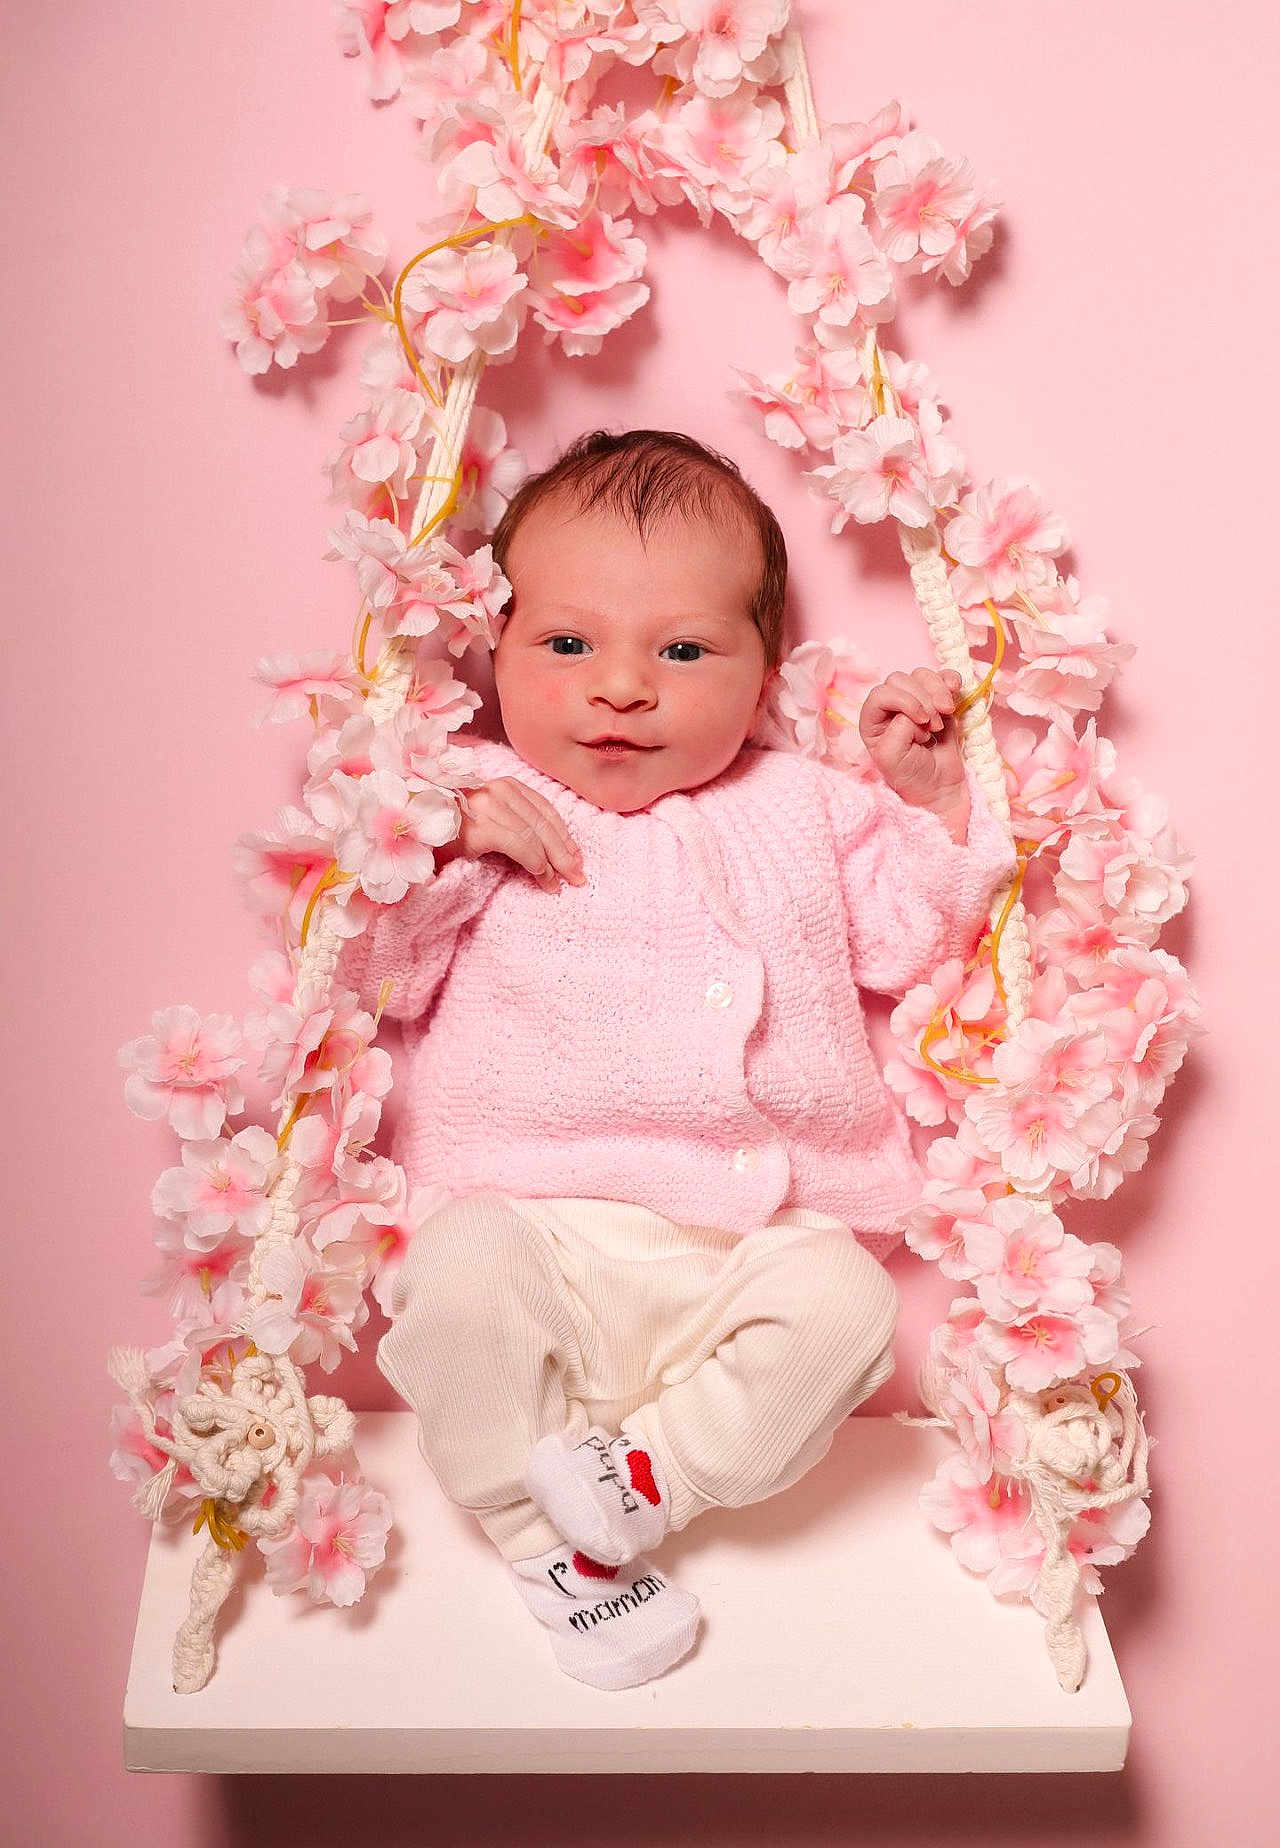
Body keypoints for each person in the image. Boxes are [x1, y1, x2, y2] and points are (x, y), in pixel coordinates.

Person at [334, 428, 1020, 1691]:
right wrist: (439, 840)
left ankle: (646, 1480)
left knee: (847, 1311)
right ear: (495, 652)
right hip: (536, 1237)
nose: (620, 688)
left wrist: (924, 802)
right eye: (566, 645)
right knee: (453, 1277)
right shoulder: (480, 798)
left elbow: (907, 941)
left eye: (683, 652)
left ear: (761, 681)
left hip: (750, 1254)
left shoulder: (803, 803)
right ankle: (540, 1536)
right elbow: (376, 977)